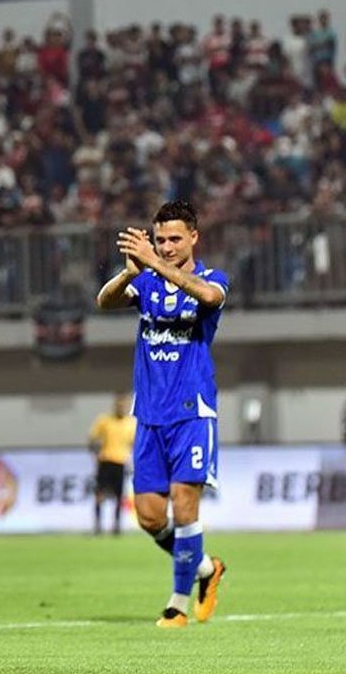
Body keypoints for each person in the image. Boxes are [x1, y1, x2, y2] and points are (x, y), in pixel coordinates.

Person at [96, 200, 227, 628]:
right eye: (160, 240)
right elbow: (104, 301)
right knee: (150, 516)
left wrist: (153, 263)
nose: (166, 247)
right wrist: (129, 273)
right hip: (150, 415)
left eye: (174, 239)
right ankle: (206, 567)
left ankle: (177, 605)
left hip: (192, 412)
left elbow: (209, 297)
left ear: (194, 237)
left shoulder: (212, 280)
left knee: (185, 507)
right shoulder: (147, 282)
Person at [88, 392, 135, 535]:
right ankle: (98, 526)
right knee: (99, 495)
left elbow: (134, 443)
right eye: (118, 405)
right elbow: (92, 439)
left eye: (123, 405)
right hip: (105, 461)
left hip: (120, 463)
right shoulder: (104, 421)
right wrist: (95, 455)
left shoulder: (130, 423)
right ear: (115, 406)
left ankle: (116, 526)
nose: (121, 407)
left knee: (119, 497)